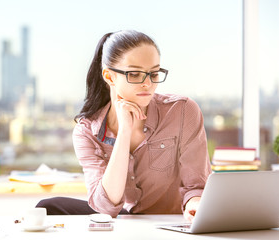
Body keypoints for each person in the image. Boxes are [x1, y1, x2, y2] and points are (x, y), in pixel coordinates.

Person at [36, 30, 211, 222]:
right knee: (48, 207)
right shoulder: (87, 131)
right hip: (124, 224)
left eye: (153, 73)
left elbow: (197, 186)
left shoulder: (183, 111)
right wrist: (124, 132)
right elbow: (105, 208)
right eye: (135, 74)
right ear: (109, 77)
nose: (148, 84)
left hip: (169, 223)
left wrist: (195, 205)